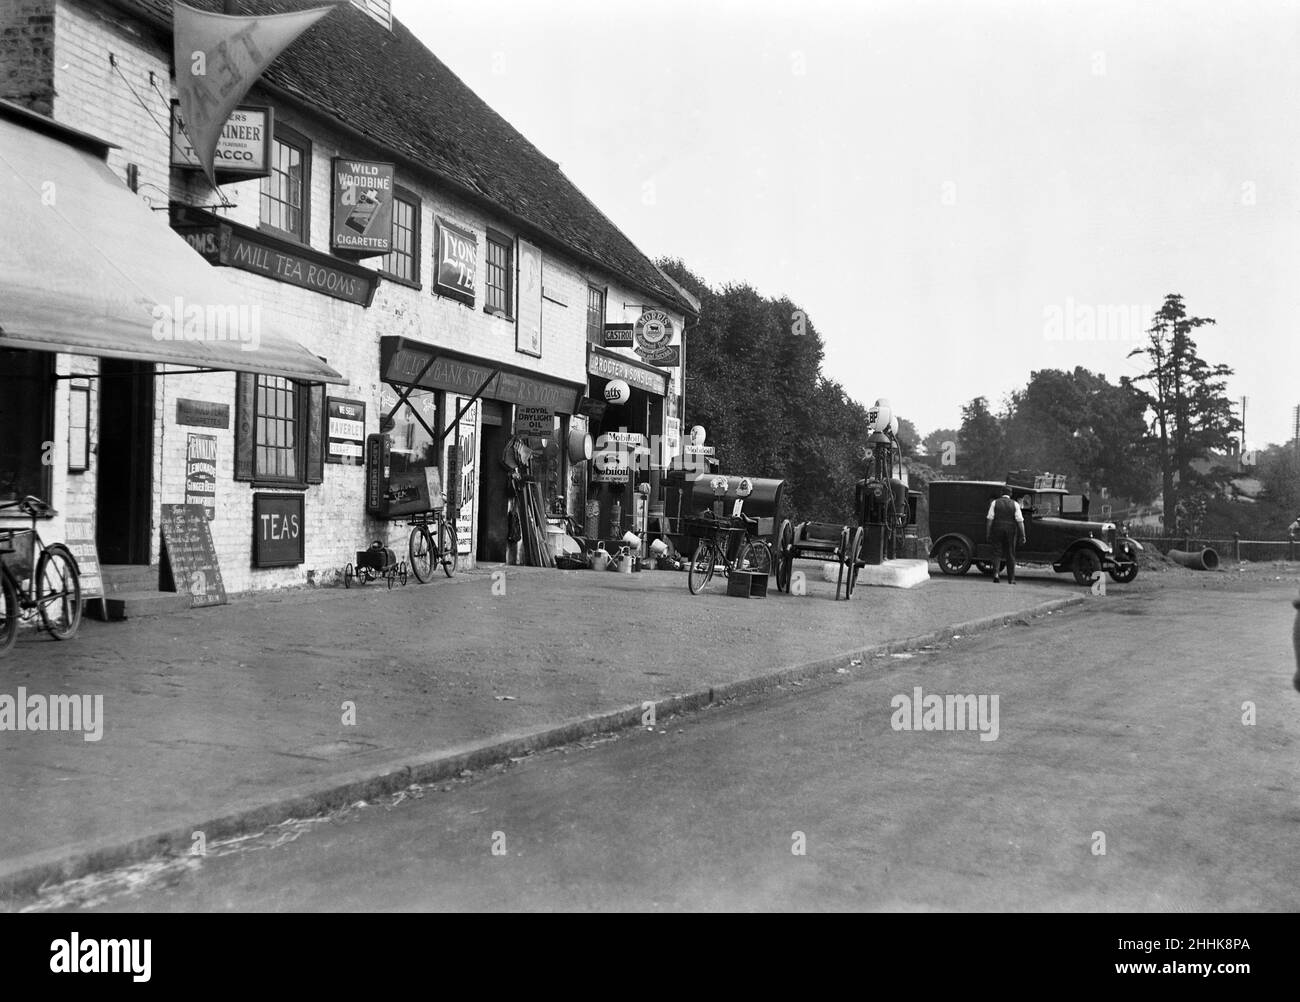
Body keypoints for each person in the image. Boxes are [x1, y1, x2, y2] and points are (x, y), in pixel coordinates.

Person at [986, 487, 1026, 584]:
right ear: (1011, 494)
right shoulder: (1015, 504)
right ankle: (1011, 579)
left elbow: (990, 519)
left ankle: (996, 574)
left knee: (997, 552)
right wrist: (1023, 535)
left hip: (997, 529)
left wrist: (988, 533)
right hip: (1010, 531)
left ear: (1001, 493)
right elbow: (1020, 521)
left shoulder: (995, 503)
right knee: (1010, 553)